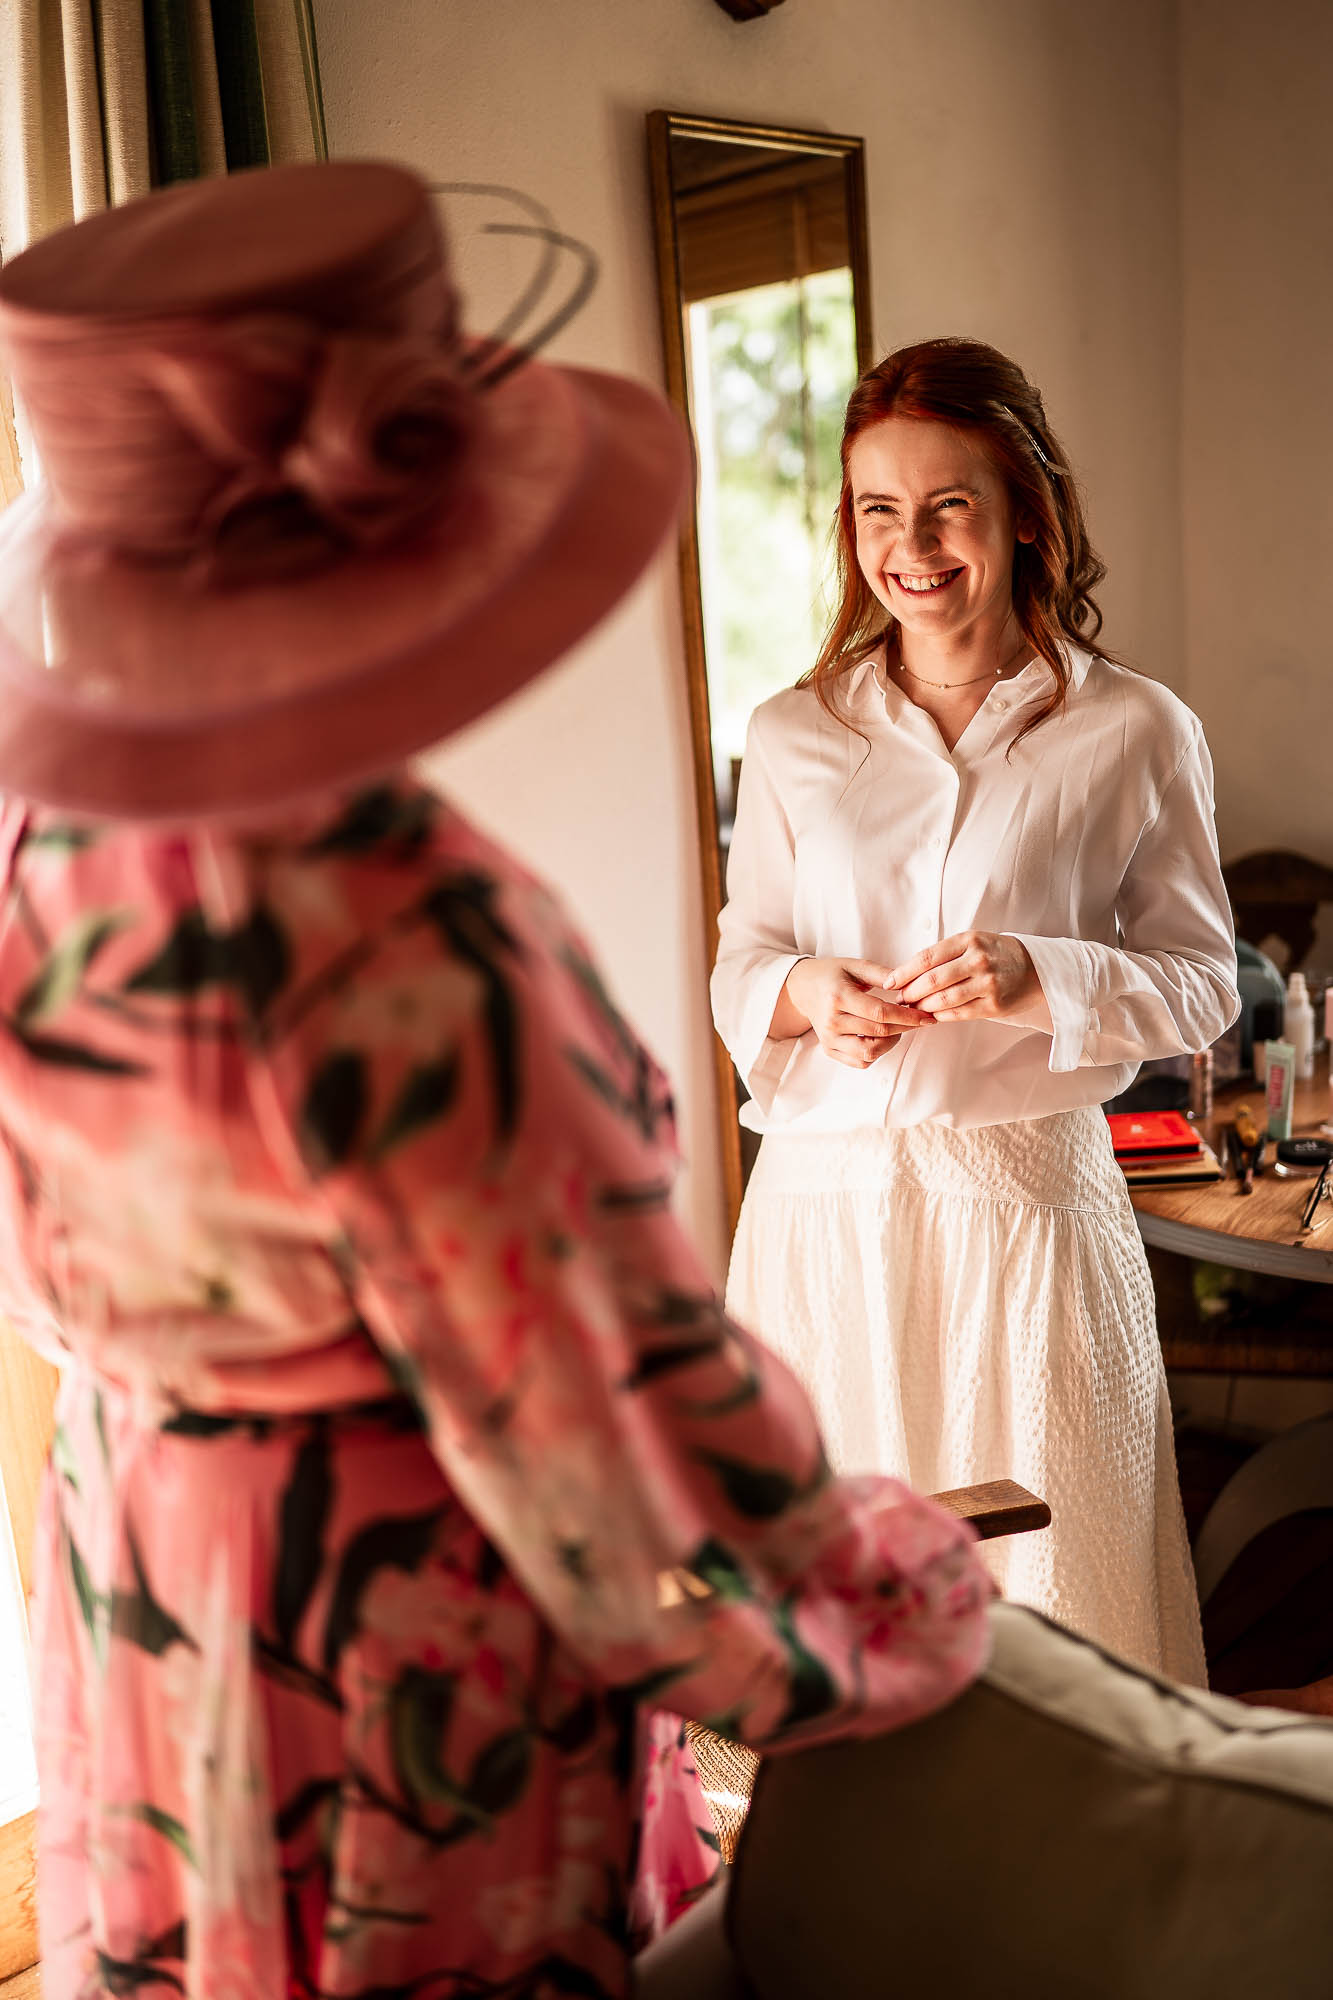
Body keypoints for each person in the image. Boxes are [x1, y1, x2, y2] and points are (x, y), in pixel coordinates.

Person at [0, 165, 992, 2000]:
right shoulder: (412, 940)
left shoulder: (48, 849)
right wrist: (898, 1594)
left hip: (147, 1594)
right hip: (390, 1655)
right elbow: (617, 1453)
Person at [712, 338, 1239, 1685]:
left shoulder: (1135, 729)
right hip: (820, 1220)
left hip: (1027, 1213)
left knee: (1055, 1592)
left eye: (948, 503)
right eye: (877, 509)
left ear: (1020, 510)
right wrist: (796, 992)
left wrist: (1036, 977)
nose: (912, 545)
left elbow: (1196, 987)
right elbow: (740, 958)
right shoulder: (789, 734)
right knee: (831, 1597)